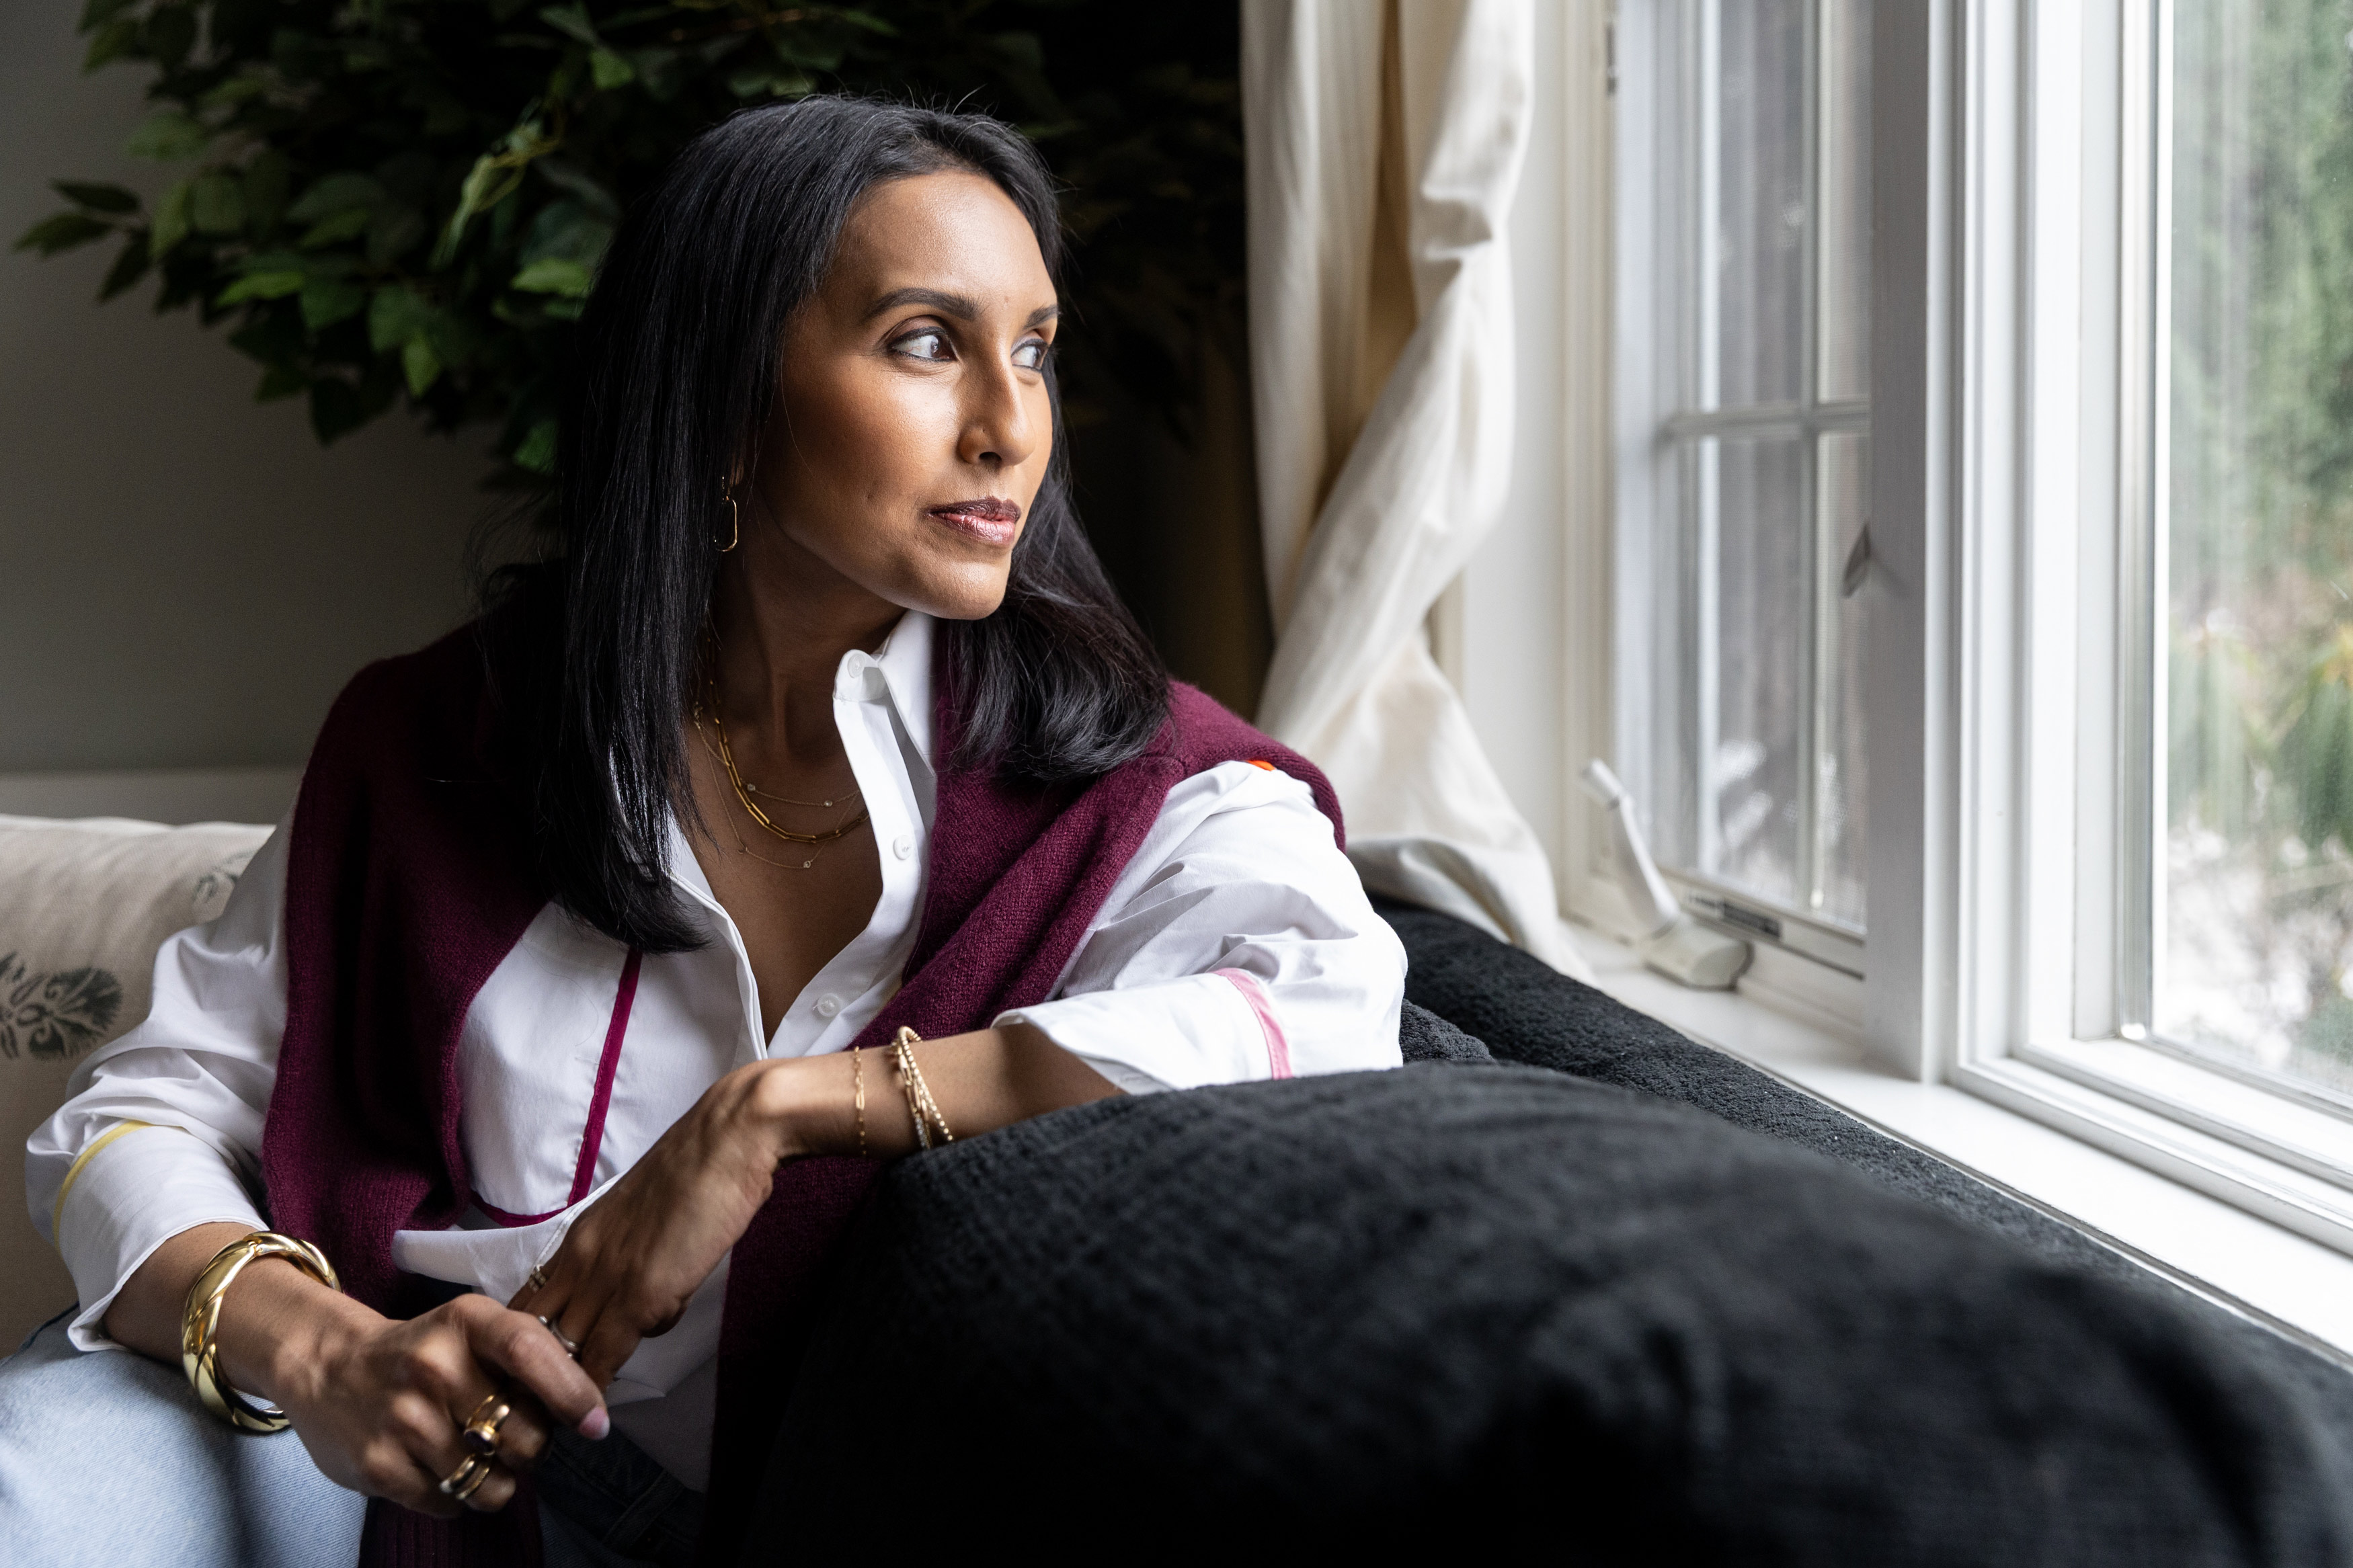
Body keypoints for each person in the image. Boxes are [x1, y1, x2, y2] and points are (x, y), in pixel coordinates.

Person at [8, 96, 1404, 1567]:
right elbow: (139, 1113)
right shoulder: (441, 740)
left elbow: (1318, 1008)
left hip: (858, 1509)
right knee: (40, 1480)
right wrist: (324, 1354)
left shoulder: (1144, 779)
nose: (1010, 426)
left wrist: (781, 1113)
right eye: (927, 341)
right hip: (413, 1473)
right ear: (728, 395)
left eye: (1035, 349)